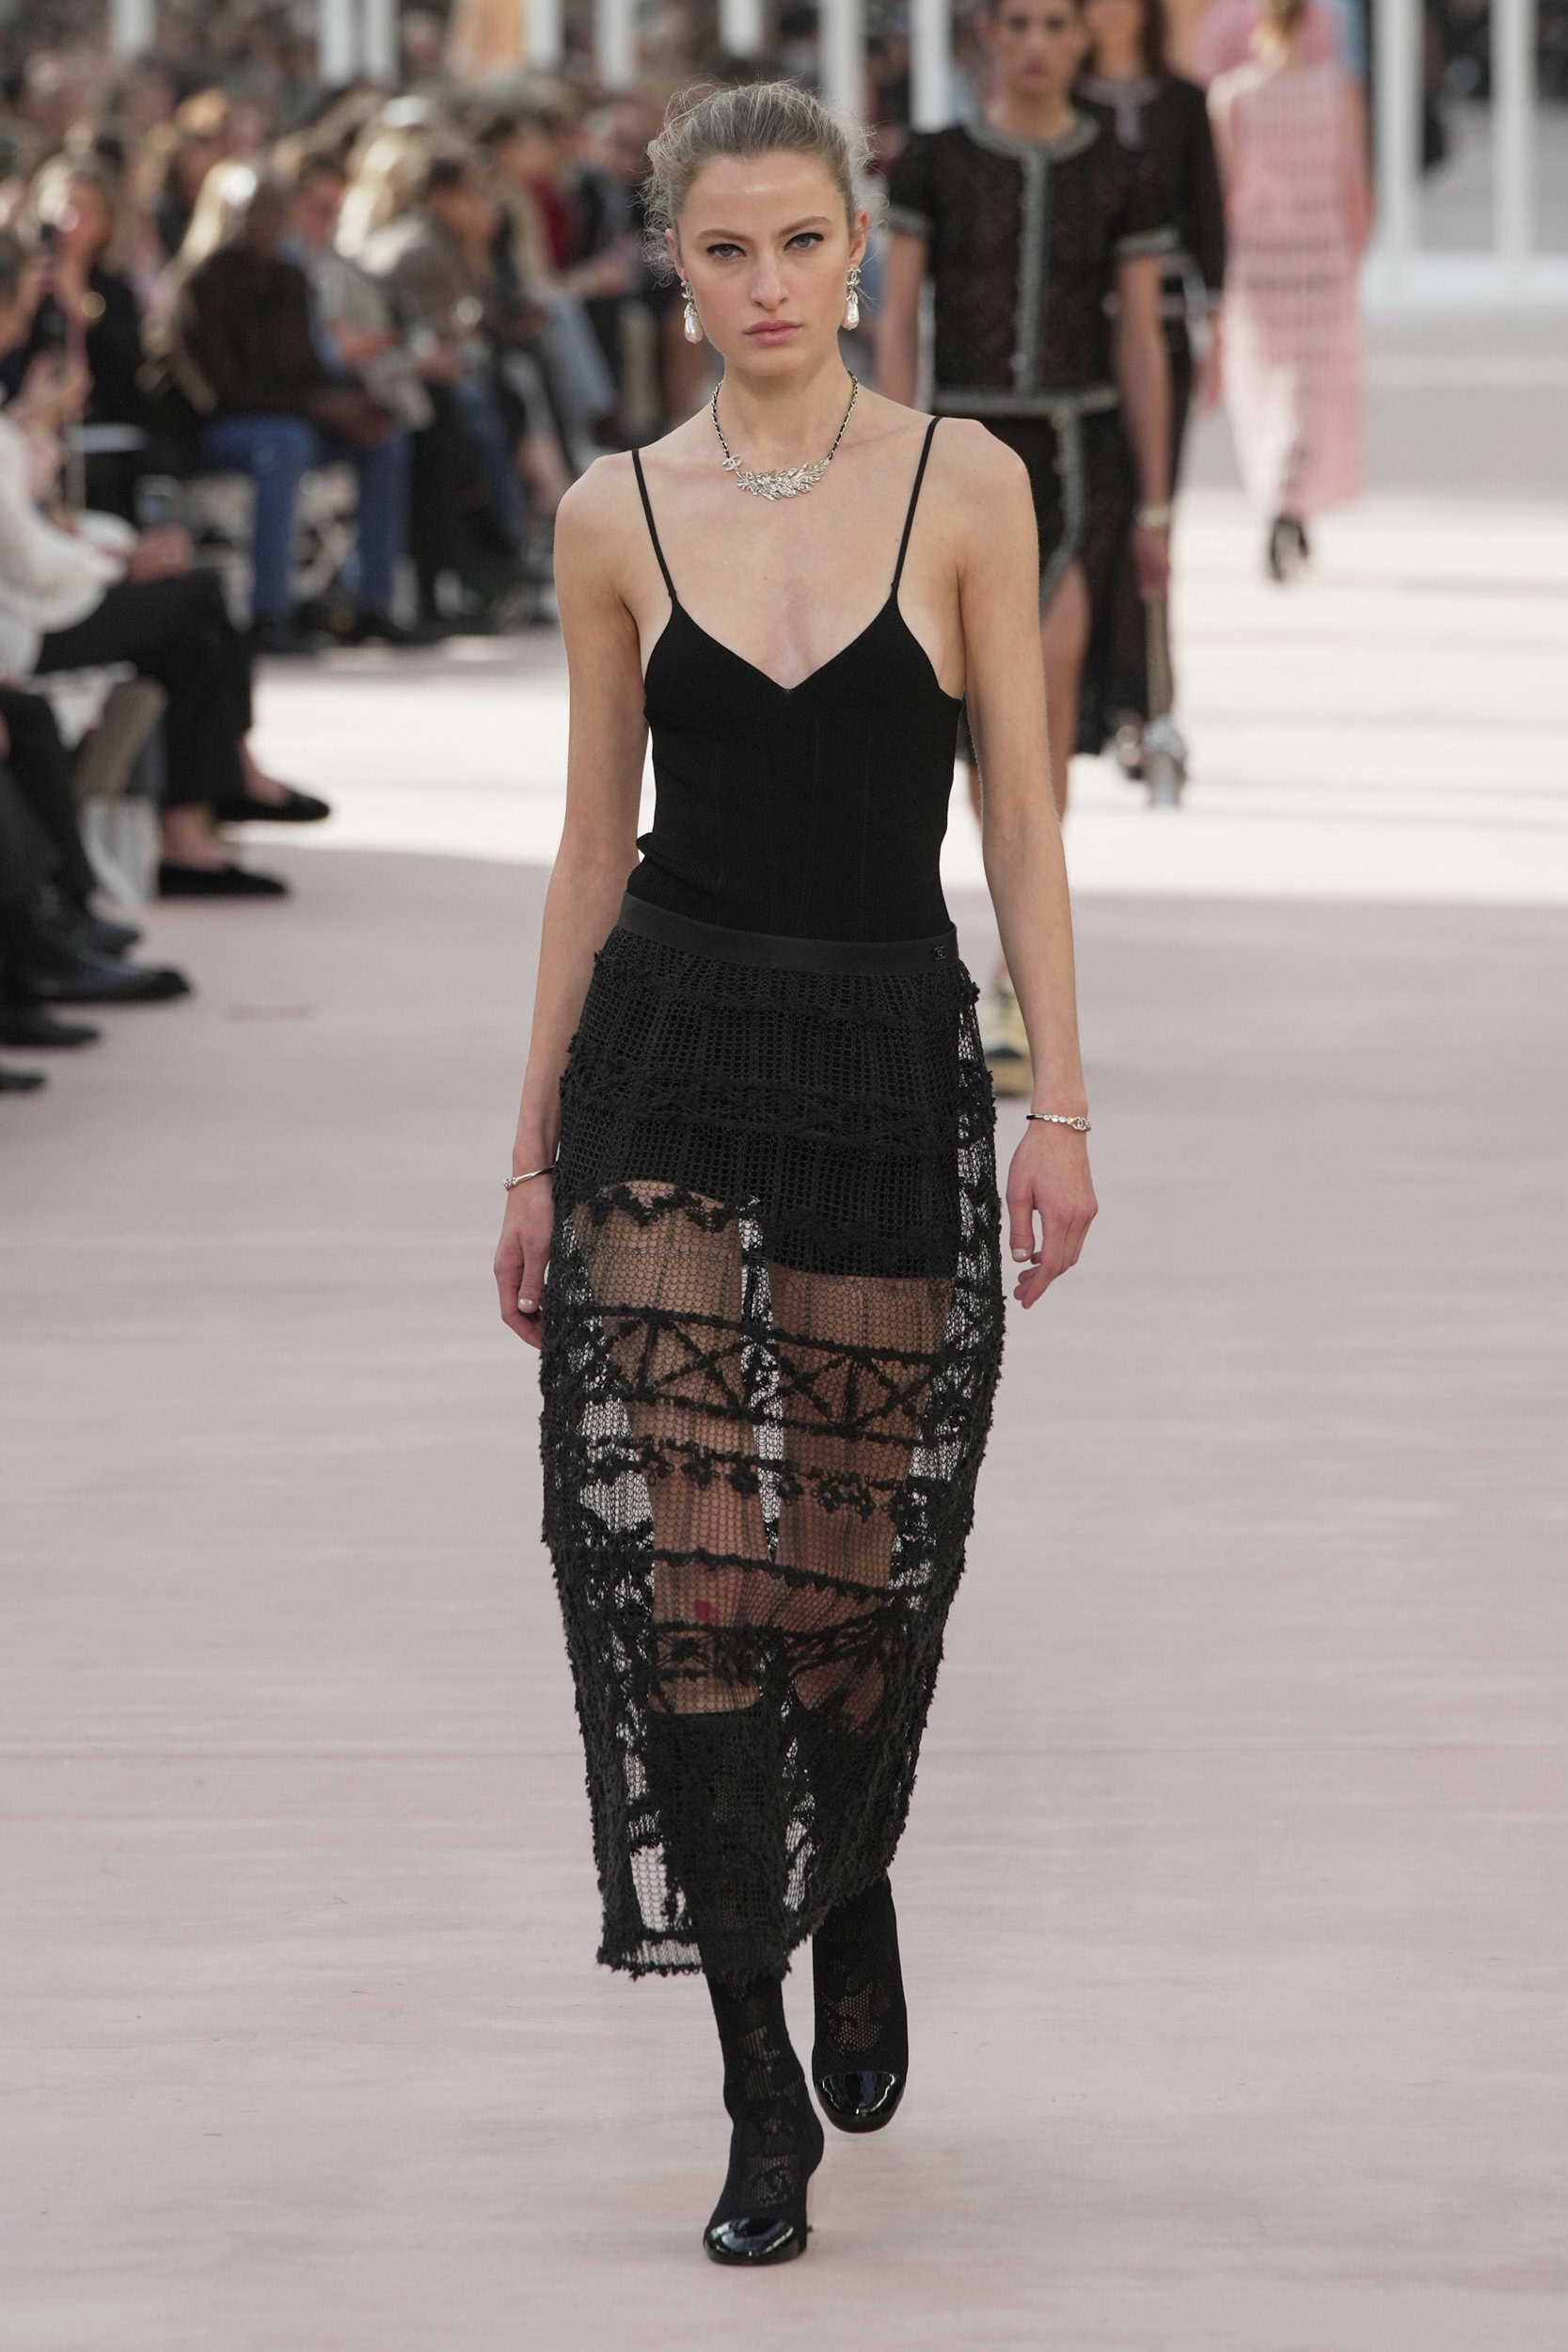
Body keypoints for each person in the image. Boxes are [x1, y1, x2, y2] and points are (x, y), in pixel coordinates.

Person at [493, 80, 1097, 2266]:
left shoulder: (964, 483)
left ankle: (852, 1878)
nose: (766, 285)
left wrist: (1058, 1103)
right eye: (724, 249)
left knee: (849, 1577)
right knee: (696, 1577)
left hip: (875, 1052)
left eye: (801, 243)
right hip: (665, 1054)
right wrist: (530, 1152)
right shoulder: (610, 514)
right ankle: (755, 2085)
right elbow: (589, 845)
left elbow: (1016, 813)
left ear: (859, 251)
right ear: (674, 269)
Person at [877, 0, 1173, 1092]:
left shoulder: (1122, 171)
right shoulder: (934, 163)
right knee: (965, 727)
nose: (1038, 43)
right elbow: (898, 320)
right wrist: (889, 463)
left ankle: (1008, 980)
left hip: (1076, 461)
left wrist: (1155, 506)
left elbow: (1139, 339)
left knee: (1038, 716)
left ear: (1084, 37)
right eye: (1019, 23)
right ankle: (975, 961)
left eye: (1056, 22)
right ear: (987, 36)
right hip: (955, 456)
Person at [160, 163, 412, 652]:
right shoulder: (198, 283)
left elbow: (307, 370)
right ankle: (269, 611)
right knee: (286, 443)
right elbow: (217, 393)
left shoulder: (291, 278)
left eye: (274, 213)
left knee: (383, 438)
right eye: (252, 213)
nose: (265, 225)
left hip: (293, 421)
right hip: (217, 433)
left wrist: (352, 404)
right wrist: (318, 407)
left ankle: (372, 604)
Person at [1077, 0, 1226, 771]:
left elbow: (1209, 215)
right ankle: (1099, 691)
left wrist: (1219, 327)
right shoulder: (1062, 101)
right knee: (1096, 512)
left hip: (1164, 338)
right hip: (1078, 338)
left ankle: (1148, 698)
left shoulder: (1183, 102)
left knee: (1153, 513)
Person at [1209, 0, 1369, 579]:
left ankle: (1282, 498)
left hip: (1258, 262)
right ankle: (1290, 503)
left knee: (1269, 385)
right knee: (1311, 389)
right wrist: (1354, 258)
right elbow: (1355, 187)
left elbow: (1224, 194)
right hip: (1322, 256)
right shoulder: (1339, 91)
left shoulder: (1232, 96)